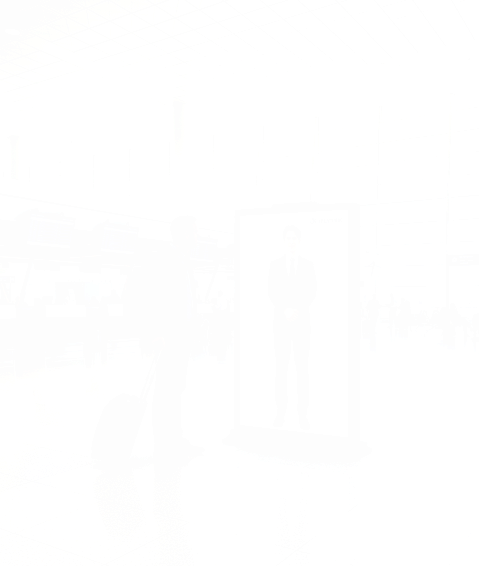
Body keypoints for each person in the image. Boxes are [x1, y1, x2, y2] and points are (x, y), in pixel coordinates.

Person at [146, 216, 204, 461]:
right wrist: (155, 333)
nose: (198, 236)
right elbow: (150, 299)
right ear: (185, 234)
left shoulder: (185, 261)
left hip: (182, 334)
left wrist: (191, 331)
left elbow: (189, 299)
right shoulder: (163, 261)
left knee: (177, 387)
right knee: (165, 390)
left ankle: (176, 437)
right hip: (167, 336)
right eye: (196, 232)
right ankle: (162, 445)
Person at [268, 225, 317, 431]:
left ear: (299, 241)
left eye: (294, 238)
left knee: (302, 369)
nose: (291, 241)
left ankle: (302, 413)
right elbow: (271, 291)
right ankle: (280, 411)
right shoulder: (275, 265)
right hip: (281, 323)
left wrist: (297, 310)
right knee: (280, 369)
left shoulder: (308, 265)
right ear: (284, 241)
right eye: (288, 238)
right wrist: (285, 310)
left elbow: (312, 291)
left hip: (302, 324)